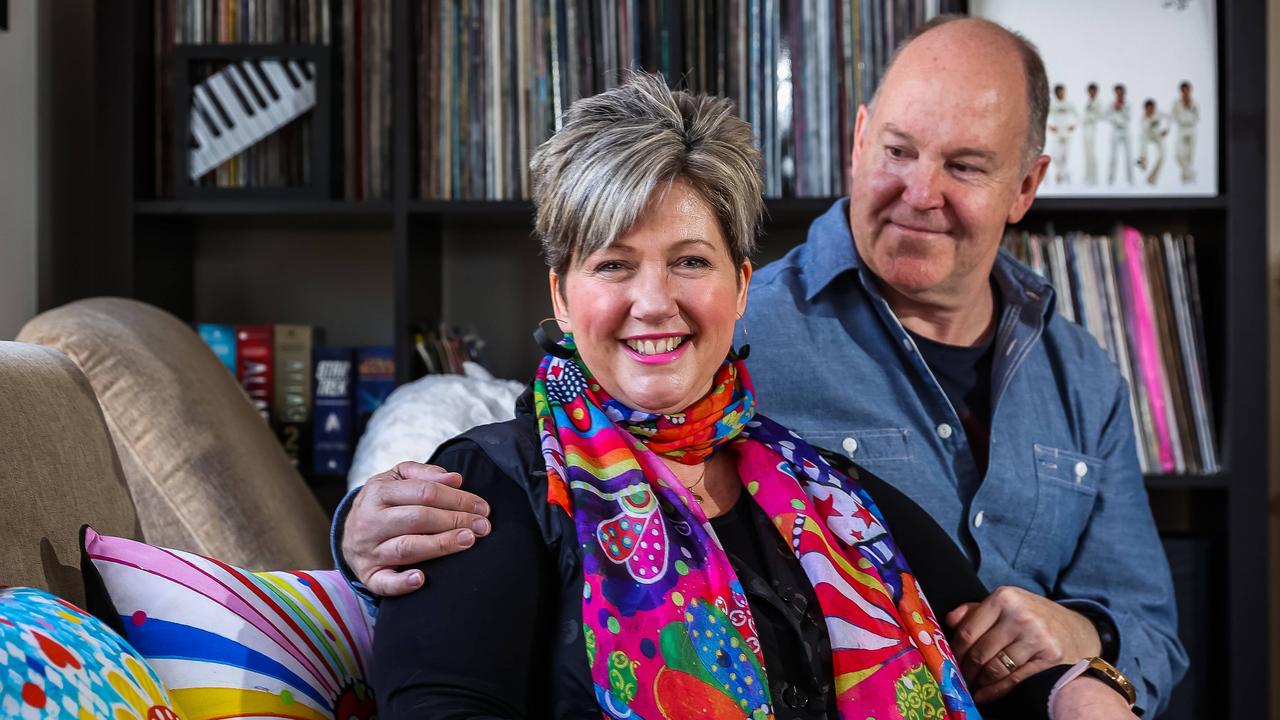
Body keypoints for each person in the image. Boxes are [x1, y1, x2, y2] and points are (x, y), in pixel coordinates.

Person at [340, 16, 1185, 718]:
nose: (654, 303)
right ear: (560, 294)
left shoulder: (827, 483)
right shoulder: (510, 481)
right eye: (613, 264)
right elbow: (519, 456)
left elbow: (1060, 645)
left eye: (690, 263)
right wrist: (349, 533)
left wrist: (1084, 671)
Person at [1047, 84, 1078, 185]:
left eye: (1063, 91)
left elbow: (1077, 116)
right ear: (1056, 93)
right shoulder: (1053, 105)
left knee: (1065, 157)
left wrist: (1073, 125)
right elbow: (1044, 118)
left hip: (1067, 134)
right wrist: (1050, 126)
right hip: (1057, 134)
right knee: (1056, 156)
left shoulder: (1069, 104)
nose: (1062, 93)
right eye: (1060, 92)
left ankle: (1061, 176)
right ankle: (1062, 174)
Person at [1170, 81, 1199, 183]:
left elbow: (1198, 117)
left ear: (1190, 90)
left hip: (1191, 129)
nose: (1186, 92)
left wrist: (1190, 107)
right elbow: (1172, 116)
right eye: (1184, 90)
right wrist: (1180, 117)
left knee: (1189, 156)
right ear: (1181, 91)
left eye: (1188, 90)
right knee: (1178, 155)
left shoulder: (1195, 103)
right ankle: (1190, 174)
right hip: (1181, 129)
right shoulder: (1176, 103)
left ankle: (1185, 178)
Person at [1136, 98, 1169, 185]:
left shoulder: (1159, 114)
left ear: (1154, 108)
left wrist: (1166, 129)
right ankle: (1142, 162)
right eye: (1148, 108)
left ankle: (1151, 179)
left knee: (1163, 156)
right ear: (1145, 109)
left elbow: (1169, 118)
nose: (1150, 110)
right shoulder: (1142, 119)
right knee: (1141, 140)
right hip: (1147, 135)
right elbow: (1145, 129)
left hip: (1157, 135)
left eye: (1152, 108)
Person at [1107, 84, 1134, 185]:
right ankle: (1110, 180)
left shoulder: (1128, 104)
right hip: (1115, 130)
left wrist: (1121, 108)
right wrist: (1114, 109)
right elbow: (1107, 117)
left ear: (1123, 92)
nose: (1118, 94)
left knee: (1128, 156)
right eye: (1116, 92)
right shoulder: (1111, 104)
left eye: (1120, 92)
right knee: (1113, 157)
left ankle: (1131, 180)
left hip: (1126, 131)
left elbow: (1128, 118)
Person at [1081, 83, 1104, 186]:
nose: (1092, 93)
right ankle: (1088, 176)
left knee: (1092, 155)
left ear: (1096, 92)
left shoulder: (1098, 103)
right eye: (1090, 91)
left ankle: (1094, 178)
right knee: (1087, 154)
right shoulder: (1087, 102)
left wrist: (1091, 118)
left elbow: (1101, 115)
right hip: (1086, 129)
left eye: (1094, 91)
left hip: (1093, 129)